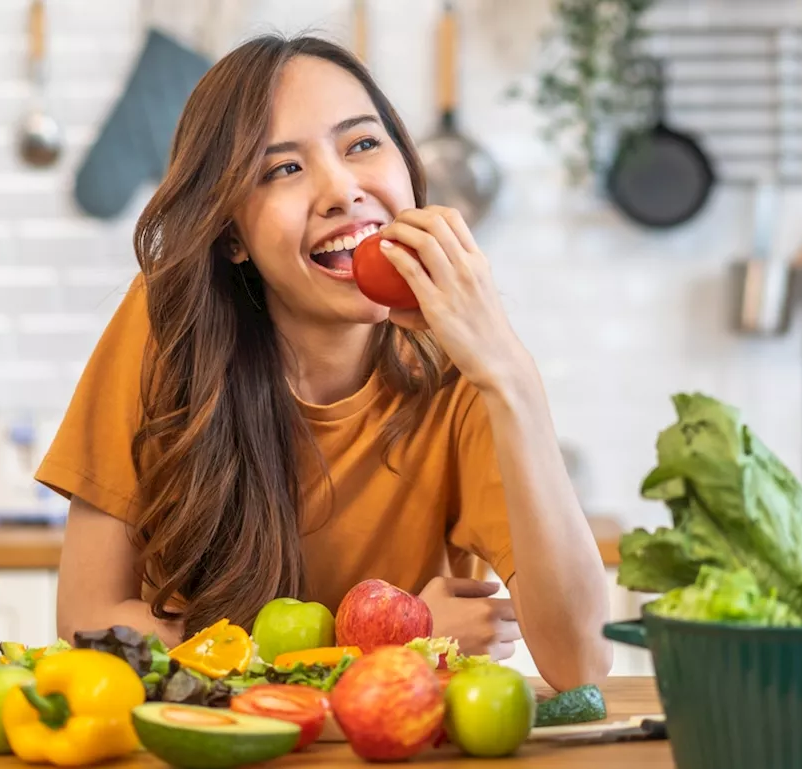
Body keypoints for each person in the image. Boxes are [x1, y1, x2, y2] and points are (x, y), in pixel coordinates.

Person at [36, 33, 611, 691]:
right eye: (283, 169)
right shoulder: (167, 326)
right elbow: (89, 623)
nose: (341, 189)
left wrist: (510, 373)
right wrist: (385, 638)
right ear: (232, 237)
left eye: (362, 144)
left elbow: (581, 662)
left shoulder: (465, 371)